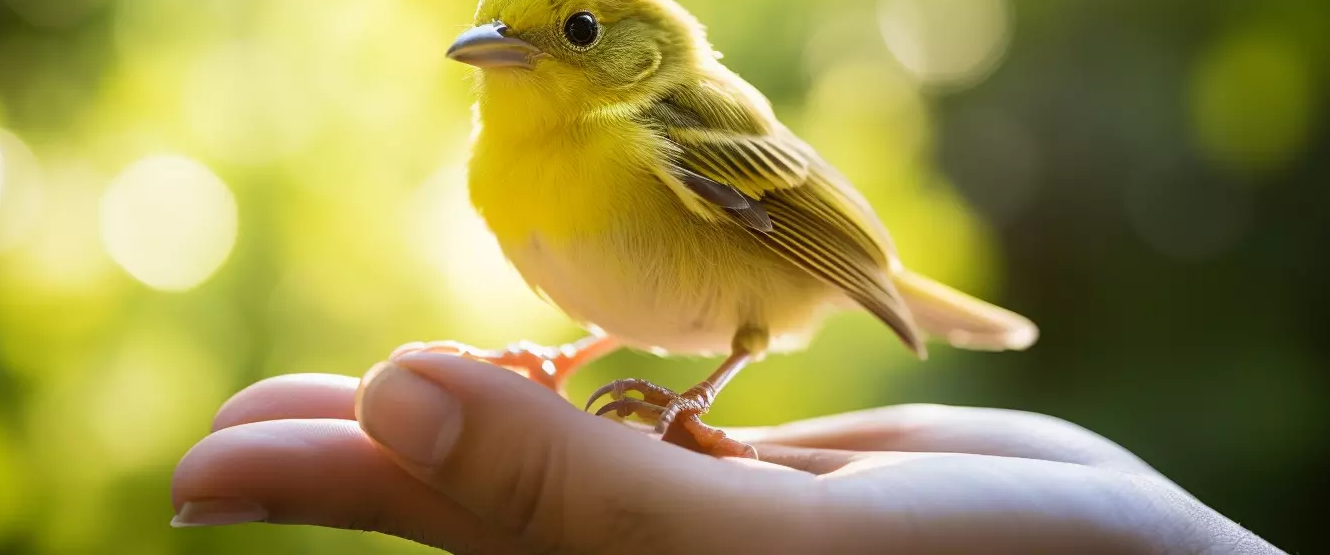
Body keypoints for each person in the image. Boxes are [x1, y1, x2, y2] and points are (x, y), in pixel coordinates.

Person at [170, 352, 1278, 553]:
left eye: (569, 34)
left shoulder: (652, 124)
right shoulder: (500, 155)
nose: (494, 53)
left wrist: (692, 411)